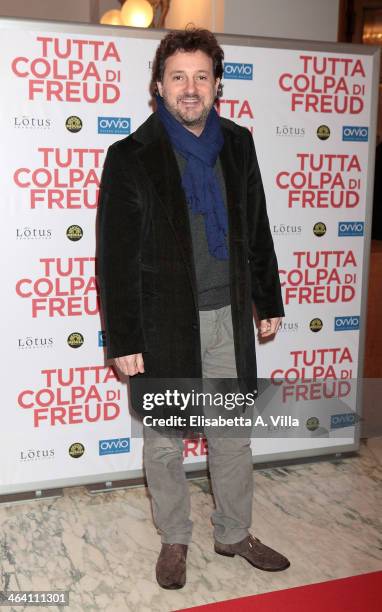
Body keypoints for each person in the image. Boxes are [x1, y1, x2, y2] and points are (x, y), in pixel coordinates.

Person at [98, 28, 290, 589]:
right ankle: (174, 538)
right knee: (165, 440)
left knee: (232, 436)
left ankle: (233, 532)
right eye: (178, 76)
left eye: (201, 76)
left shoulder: (238, 143)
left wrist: (267, 298)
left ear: (217, 84)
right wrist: (125, 338)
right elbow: (116, 257)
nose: (190, 87)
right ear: (158, 84)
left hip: (227, 319)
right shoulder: (131, 156)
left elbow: (256, 225)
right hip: (162, 326)